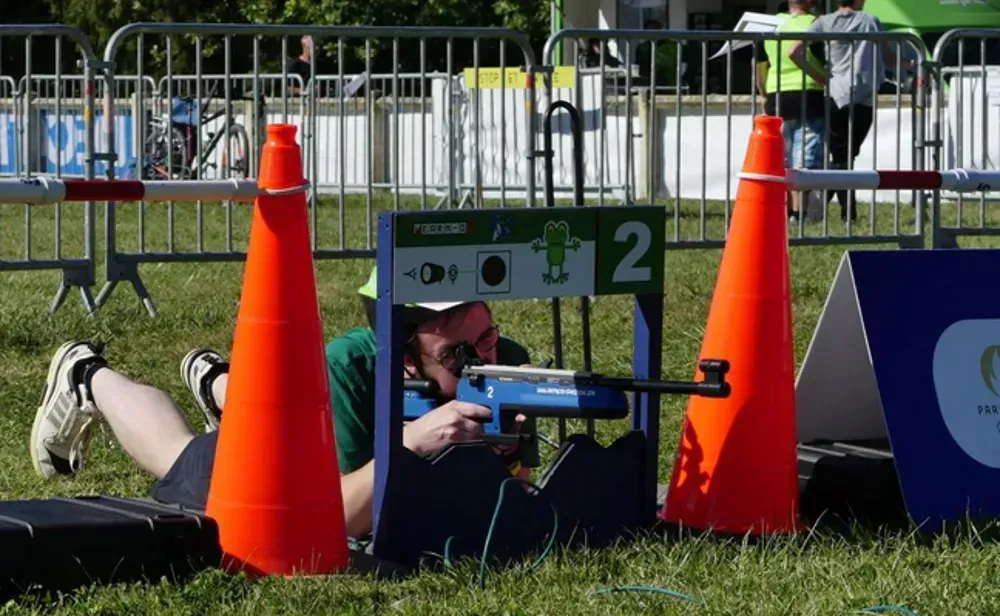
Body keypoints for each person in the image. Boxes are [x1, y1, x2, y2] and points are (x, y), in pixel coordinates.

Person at [29, 266, 539, 540]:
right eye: (459, 354)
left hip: (300, 423)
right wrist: (409, 444)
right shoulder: (348, 368)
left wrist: (504, 455)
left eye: (490, 335)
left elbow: (520, 497)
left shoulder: (507, 363)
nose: (485, 357)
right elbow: (330, 521)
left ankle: (220, 384)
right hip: (284, 478)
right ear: (405, 360)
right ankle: (87, 375)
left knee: (263, 405)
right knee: (181, 453)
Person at [789, 0, 915, 221]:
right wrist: (915, 63)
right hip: (864, 96)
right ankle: (845, 214)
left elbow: (793, 51)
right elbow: (888, 59)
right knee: (845, 157)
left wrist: (818, 76)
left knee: (842, 157)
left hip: (836, 93)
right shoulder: (870, 21)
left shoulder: (823, 22)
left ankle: (823, 208)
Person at [755, 0, 826, 223]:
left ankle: (782, 211)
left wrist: (764, 94)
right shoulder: (815, 23)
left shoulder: (772, 24)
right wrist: (825, 79)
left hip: (778, 95)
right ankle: (800, 213)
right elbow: (824, 58)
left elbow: (760, 65)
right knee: (804, 155)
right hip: (810, 92)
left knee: (780, 157)